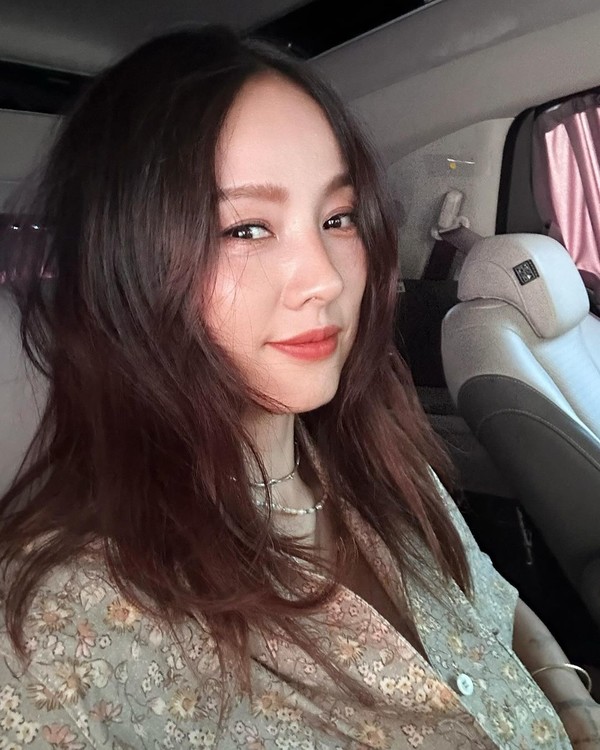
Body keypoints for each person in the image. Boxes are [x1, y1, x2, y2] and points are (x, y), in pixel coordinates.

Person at [0, 23, 598, 750]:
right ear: (123, 264)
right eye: (246, 229)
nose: (325, 279)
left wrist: (571, 706)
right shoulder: (54, 630)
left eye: (337, 218)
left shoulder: (378, 462)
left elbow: (492, 605)